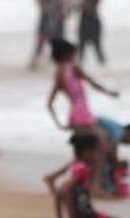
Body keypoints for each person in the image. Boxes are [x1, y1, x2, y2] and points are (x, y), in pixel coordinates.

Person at [46, 39, 119, 192]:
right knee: (102, 147)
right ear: (67, 55)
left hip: (75, 116)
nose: (75, 56)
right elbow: (93, 83)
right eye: (74, 53)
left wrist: (60, 124)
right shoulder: (73, 68)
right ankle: (95, 186)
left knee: (85, 154)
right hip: (83, 116)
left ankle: (54, 177)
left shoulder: (59, 72)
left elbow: (50, 103)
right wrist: (109, 93)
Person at [29, 0, 66, 70]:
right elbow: (62, 4)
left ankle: (37, 62)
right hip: (56, 18)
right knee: (54, 41)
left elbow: (42, 6)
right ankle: (51, 63)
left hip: (50, 18)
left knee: (43, 41)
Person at [77, 0, 104, 65]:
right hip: (92, 20)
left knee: (86, 48)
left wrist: (79, 5)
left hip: (89, 20)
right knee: (94, 48)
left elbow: (88, 6)